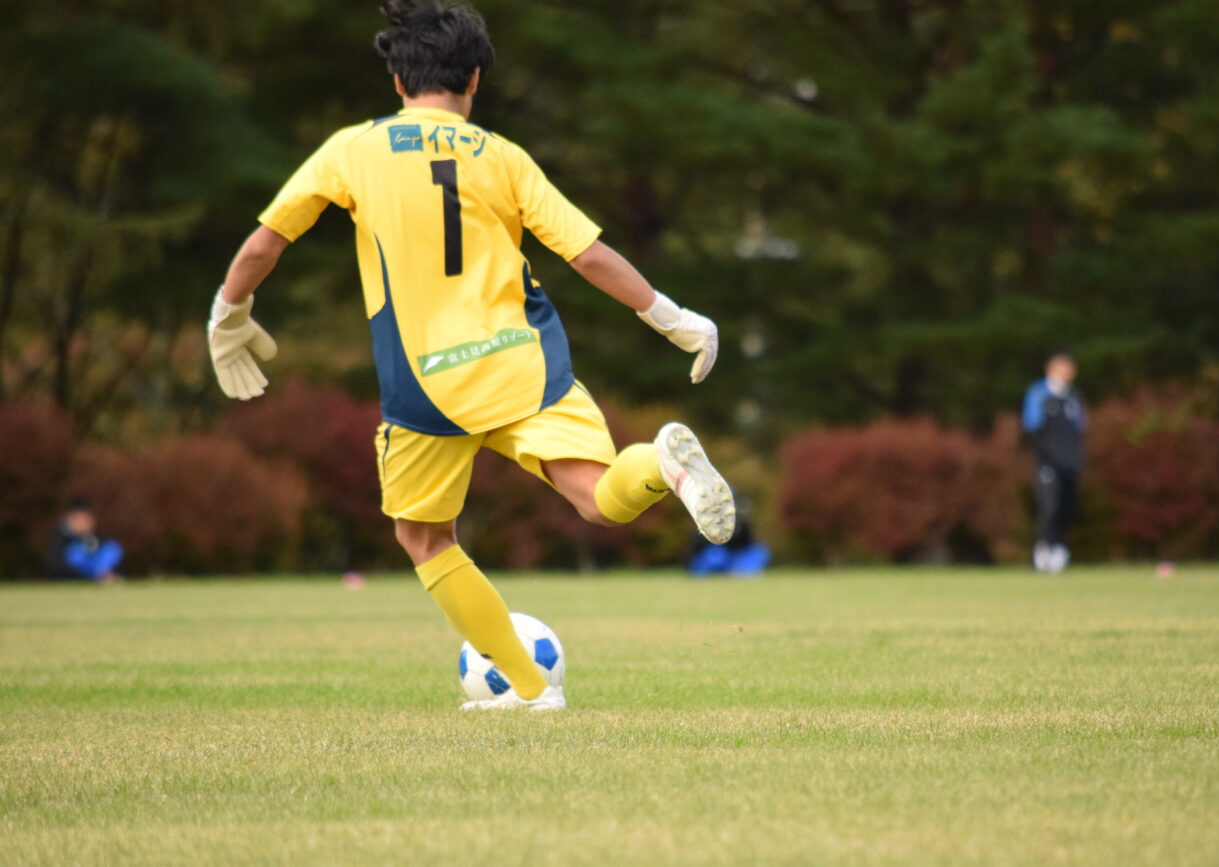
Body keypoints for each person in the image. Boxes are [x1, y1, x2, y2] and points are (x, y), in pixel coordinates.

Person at [207, 0, 735, 711]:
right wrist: (673, 319)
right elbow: (587, 255)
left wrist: (230, 313)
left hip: (427, 382)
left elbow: (265, 244)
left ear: (398, 82)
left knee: (425, 540)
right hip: (524, 363)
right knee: (600, 498)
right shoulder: (504, 157)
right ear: (476, 79)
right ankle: (662, 467)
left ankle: (530, 689)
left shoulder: (352, 150)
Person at [1022, 351, 1087, 574]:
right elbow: (1032, 427)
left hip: (1070, 463)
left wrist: (1077, 457)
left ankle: (1060, 550)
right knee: (1049, 507)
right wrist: (1047, 454)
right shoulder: (1039, 394)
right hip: (1048, 462)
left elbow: (1079, 429)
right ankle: (1043, 551)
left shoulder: (1074, 396)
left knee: (1066, 509)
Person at [688, 495, 770, 578]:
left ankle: (740, 571)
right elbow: (699, 545)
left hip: (737, 554)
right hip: (719, 552)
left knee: (759, 552)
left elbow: (748, 541)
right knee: (715, 556)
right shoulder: (708, 520)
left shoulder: (741, 519)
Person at [44, 498, 124, 583]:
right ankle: (100, 576)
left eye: (86, 519)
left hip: (96, 568)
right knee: (75, 554)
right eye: (78, 519)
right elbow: (55, 566)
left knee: (112, 548)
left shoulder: (95, 537)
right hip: (74, 575)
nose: (82, 524)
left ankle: (103, 575)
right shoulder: (60, 539)